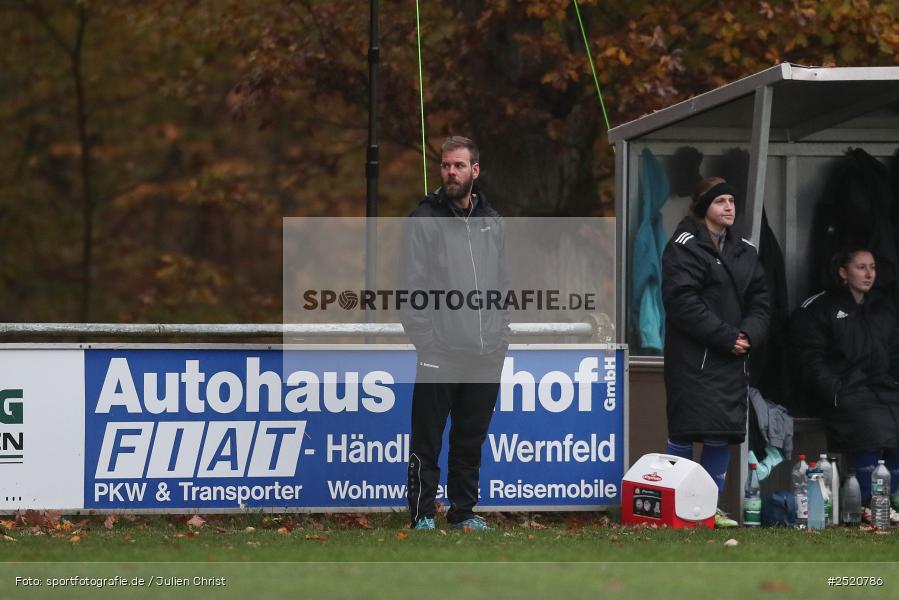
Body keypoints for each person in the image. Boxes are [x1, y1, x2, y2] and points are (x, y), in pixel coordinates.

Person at [399, 136, 509, 531]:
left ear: (474, 171)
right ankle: (423, 514)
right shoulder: (424, 219)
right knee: (426, 439)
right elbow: (411, 288)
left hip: (485, 353)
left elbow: (503, 283)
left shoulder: (492, 221)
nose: (451, 172)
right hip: (440, 351)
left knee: (470, 439)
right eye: (446, 165)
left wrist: (501, 337)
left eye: (459, 165)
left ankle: (463, 512)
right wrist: (427, 340)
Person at [661, 176, 770, 527]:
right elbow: (682, 302)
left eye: (732, 201)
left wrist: (748, 334)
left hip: (733, 357)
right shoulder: (684, 245)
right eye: (721, 201)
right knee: (685, 429)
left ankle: (708, 509)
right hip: (694, 358)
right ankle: (674, 506)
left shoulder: (745, 250)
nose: (729, 207)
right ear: (704, 206)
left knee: (720, 430)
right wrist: (726, 336)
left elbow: (762, 301)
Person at [791, 247, 899, 513]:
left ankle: (893, 504)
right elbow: (809, 359)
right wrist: (835, 391)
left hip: (882, 389)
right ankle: (863, 505)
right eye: (861, 267)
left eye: (872, 267)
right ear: (843, 272)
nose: (868, 273)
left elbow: (895, 353)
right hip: (843, 392)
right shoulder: (820, 307)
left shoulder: (882, 308)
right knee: (870, 425)